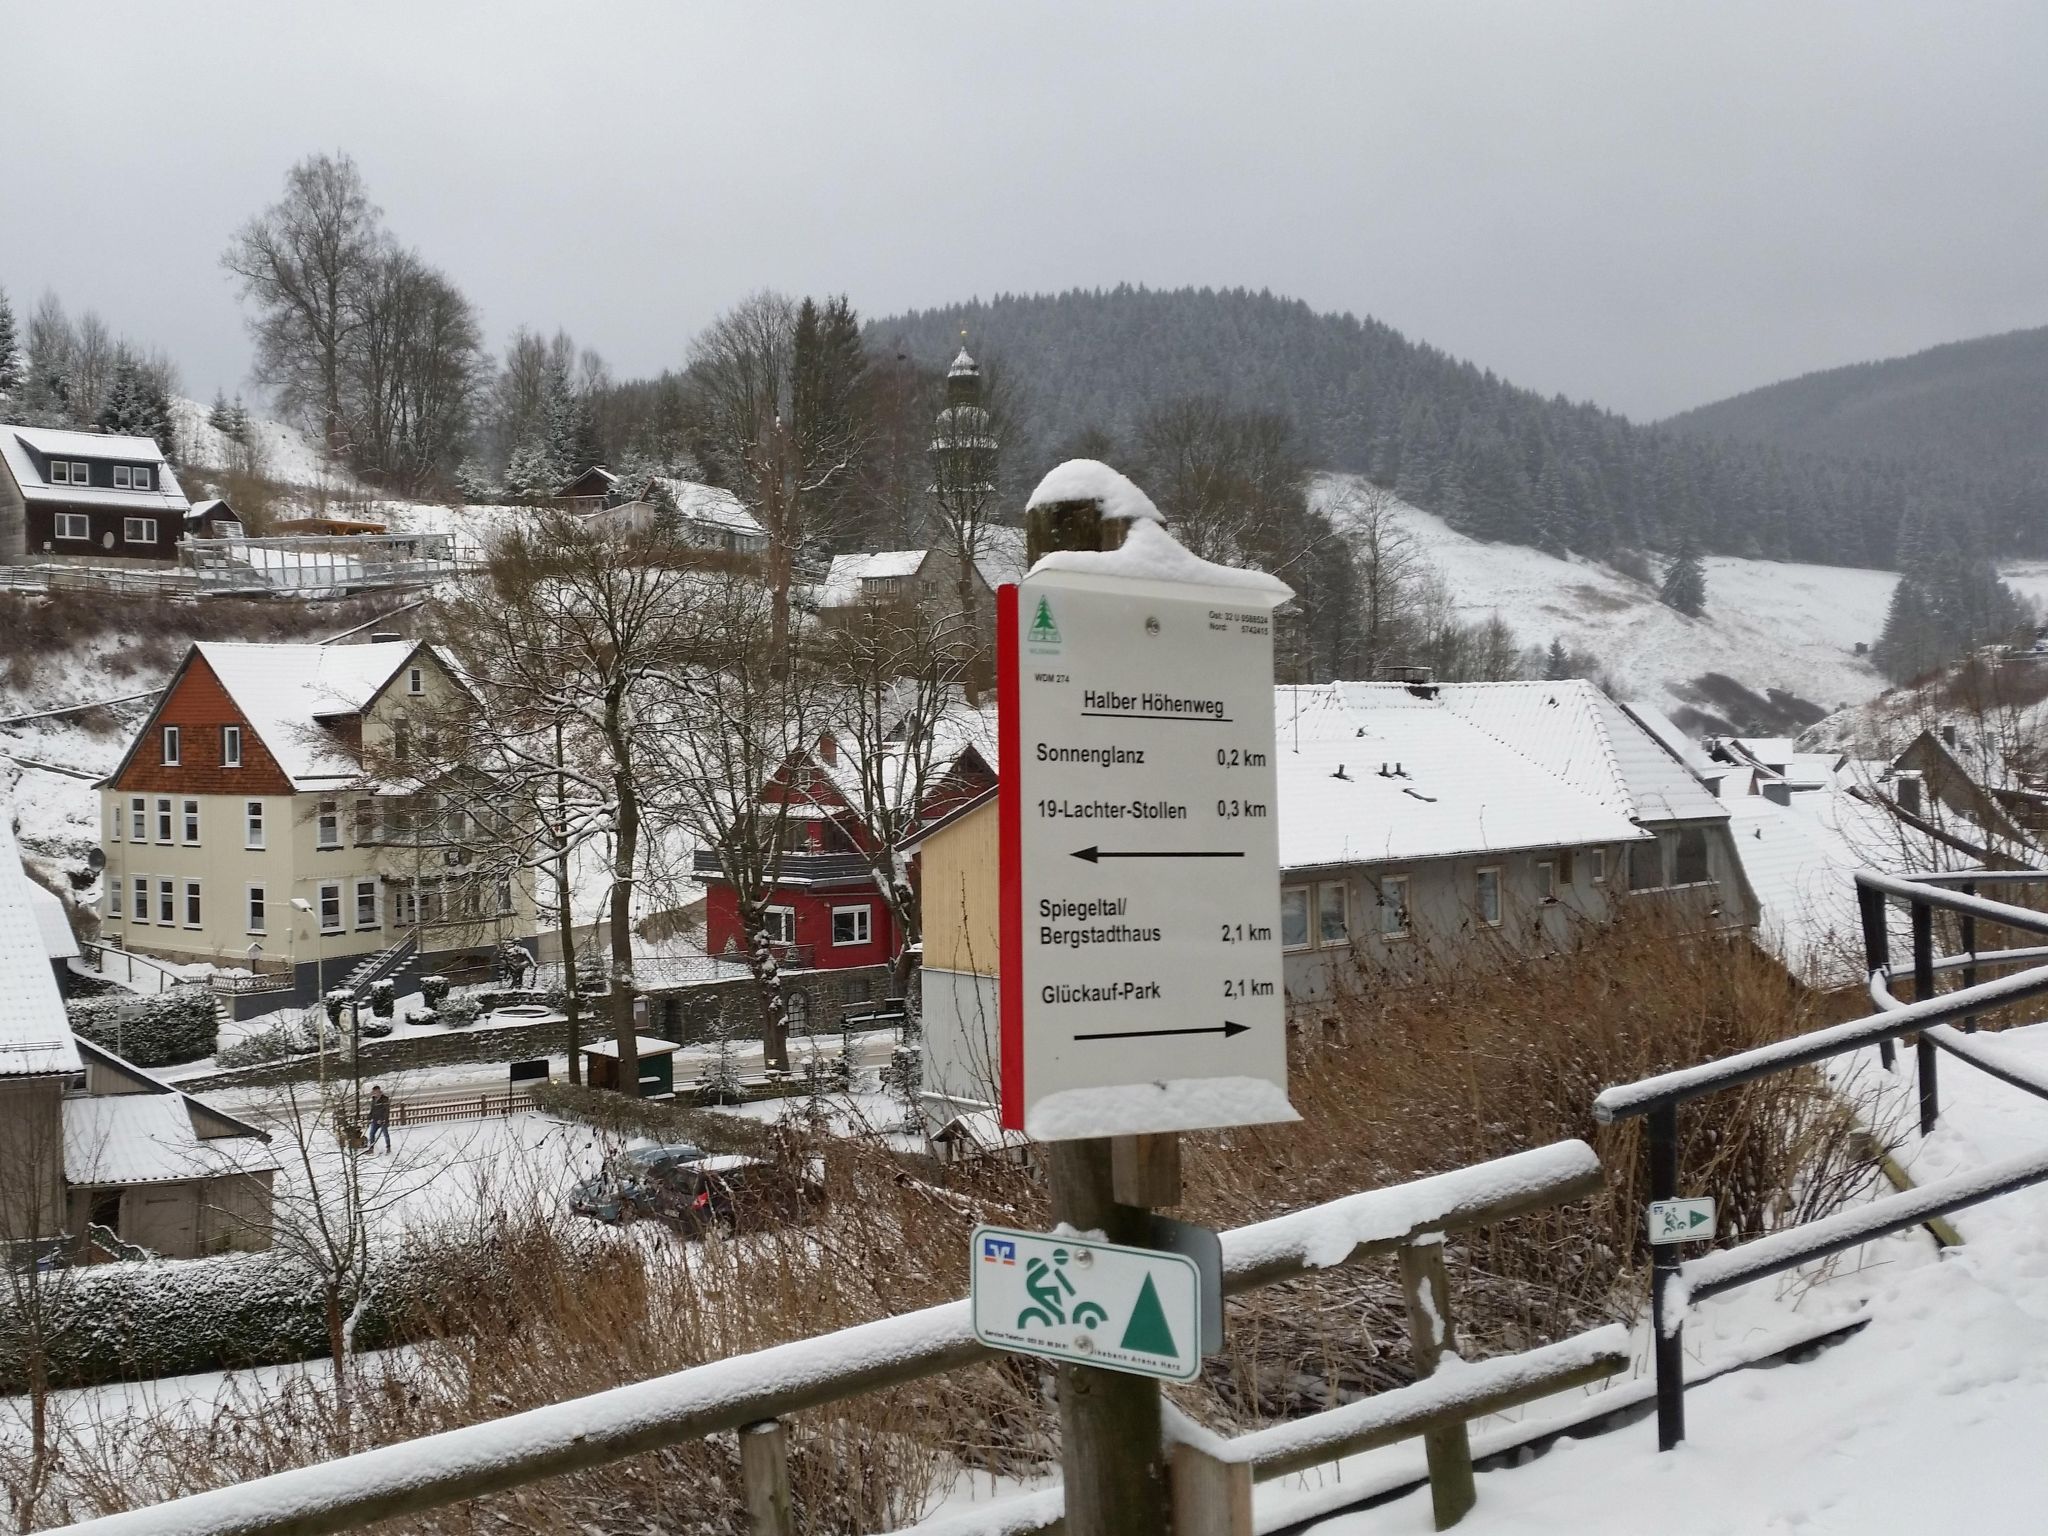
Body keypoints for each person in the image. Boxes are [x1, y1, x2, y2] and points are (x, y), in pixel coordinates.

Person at [367, 1085, 392, 1154]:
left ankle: (388, 1148)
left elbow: (386, 1111)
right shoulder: (373, 1099)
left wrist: (382, 1119)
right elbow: (372, 1110)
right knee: (371, 1134)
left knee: (385, 1134)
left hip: (383, 1120)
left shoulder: (384, 1099)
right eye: (374, 1092)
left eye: (376, 1092)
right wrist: (369, 1116)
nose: (375, 1094)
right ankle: (371, 1149)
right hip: (375, 1120)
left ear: (379, 1091)